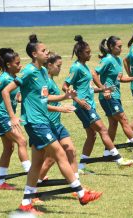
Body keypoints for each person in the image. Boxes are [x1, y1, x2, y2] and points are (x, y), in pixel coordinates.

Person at [2, 34, 101, 215]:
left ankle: (26, 204)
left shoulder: (41, 73)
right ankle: (80, 193)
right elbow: (6, 91)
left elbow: (44, 98)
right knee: (60, 154)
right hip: (36, 123)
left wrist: (64, 97)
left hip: (43, 121)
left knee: (37, 164)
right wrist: (12, 116)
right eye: (43, 51)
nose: (47, 53)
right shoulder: (30, 71)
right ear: (34, 54)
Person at [63, 35, 133, 174]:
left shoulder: (84, 67)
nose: (90, 54)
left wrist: (102, 89)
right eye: (87, 52)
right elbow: (65, 86)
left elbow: (87, 88)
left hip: (89, 104)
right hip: (83, 106)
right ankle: (118, 159)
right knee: (102, 129)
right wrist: (78, 100)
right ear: (79, 54)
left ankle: (80, 168)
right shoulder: (76, 68)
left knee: (92, 135)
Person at [92, 36, 133, 157]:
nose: (121, 49)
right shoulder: (107, 60)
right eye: (118, 46)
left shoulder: (118, 60)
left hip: (116, 96)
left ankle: (107, 153)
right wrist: (103, 89)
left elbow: (120, 78)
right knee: (124, 120)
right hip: (109, 97)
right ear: (111, 47)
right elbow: (94, 73)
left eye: (121, 46)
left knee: (113, 125)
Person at [0, 48, 31, 190]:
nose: (20, 65)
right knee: (22, 141)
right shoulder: (4, 78)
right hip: (1, 117)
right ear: (9, 65)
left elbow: (15, 96)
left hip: (5, 117)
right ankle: (32, 174)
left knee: (9, 148)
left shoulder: (15, 79)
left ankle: (0, 182)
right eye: (17, 63)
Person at [38, 52, 79, 184]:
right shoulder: (45, 82)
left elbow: (54, 100)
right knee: (50, 158)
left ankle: (77, 185)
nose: (60, 69)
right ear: (49, 65)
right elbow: (42, 103)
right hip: (48, 124)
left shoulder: (51, 80)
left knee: (71, 150)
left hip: (57, 124)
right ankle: (35, 184)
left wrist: (63, 104)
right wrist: (60, 108)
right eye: (58, 66)